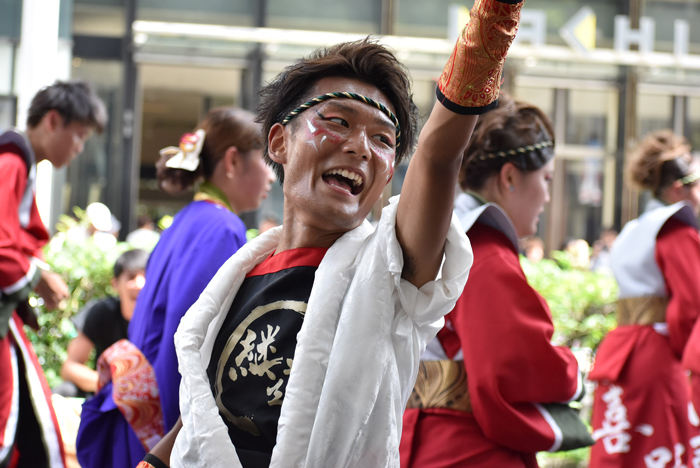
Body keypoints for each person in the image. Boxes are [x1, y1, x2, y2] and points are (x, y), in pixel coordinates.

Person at [139, 2, 524, 467]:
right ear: (279, 143)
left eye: (384, 140)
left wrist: (494, 21)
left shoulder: (387, 269)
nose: (360, 146)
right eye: (338, 122)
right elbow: (200, 418)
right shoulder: (240, 274)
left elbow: (439, 156)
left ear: (388, 176)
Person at [75, 106, 275, 468]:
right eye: (265, 159)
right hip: (162, 415)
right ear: (233, 161)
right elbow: (189, 343)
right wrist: (175, 441)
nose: (273, 177)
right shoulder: (223, 228)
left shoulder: (185, 220)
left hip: (139, 408)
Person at [400, 96, 592, 468]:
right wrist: (574, 372)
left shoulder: (439, 231)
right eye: (546, 179)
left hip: (419, 434)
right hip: (468, 447)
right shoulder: (483, 248)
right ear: (509, 178)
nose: (548, 196)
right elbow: (513, 364)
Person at [0, 80, 106, 468]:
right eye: (78, 136)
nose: (79, 148)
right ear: (52, 121)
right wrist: (37, 277)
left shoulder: (16, 159)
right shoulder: (11, 158)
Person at [588, 130, 700, 467]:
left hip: (622, 350)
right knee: (664, 444)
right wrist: (687, 359)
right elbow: (691, 303)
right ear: (679, 188)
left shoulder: (632, 229)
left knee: (624, 451)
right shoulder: (677, 228)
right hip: (661, 355)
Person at [59, 249, 148, 395]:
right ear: (115, 284)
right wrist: (115, 386)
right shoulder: (102, 312)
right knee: (64, 391)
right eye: (131, 277)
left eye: (146, 277)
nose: (139, 284)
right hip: (106, 393)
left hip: (149, 397)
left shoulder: (163, 318)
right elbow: (70, 367)